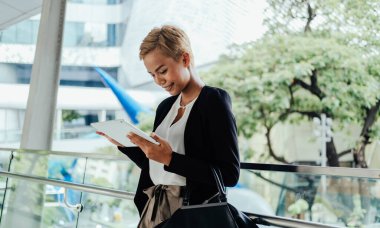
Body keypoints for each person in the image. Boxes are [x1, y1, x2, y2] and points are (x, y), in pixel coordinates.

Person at [97, 25, 240, 228]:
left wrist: (170, 158)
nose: (158, 81)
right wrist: (126, 144)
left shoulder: (213, 100)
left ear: (185, 59)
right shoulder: (165, 107)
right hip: (155, 208)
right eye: (152, 75)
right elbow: (156, 167)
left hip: (191, 213)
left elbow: (229, 174)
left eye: (162, 71)